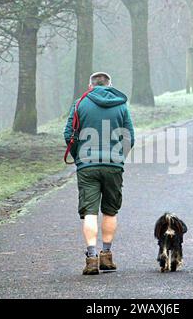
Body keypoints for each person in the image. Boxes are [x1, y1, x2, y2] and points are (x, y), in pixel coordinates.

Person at [64, 72, 135, 275]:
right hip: (114, 164)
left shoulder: (80, 103)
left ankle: (91, 258)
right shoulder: (121, 104)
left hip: (87, 165)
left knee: (89, 212)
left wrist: (79, 155)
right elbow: (130, 136)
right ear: (110, 85)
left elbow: (69, 134)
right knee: (111, 210)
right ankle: (107, 256)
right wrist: (120, 155)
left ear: (90, 85)